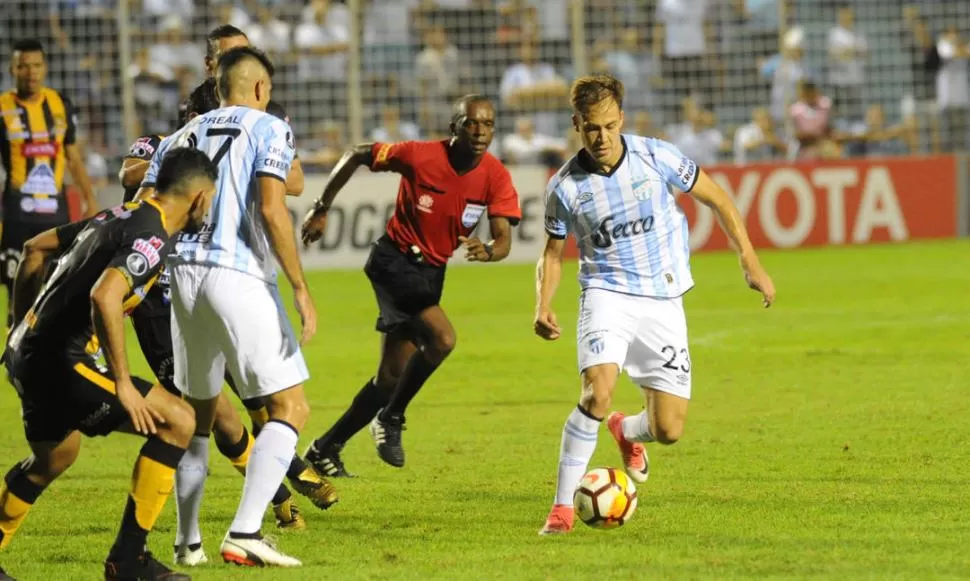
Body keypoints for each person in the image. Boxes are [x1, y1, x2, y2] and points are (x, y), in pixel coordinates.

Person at [534, 74, 776, 535]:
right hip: (606, 294)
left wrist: (749, 258)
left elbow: (718, 199)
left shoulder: (656, 156)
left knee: (668, 430)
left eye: (608, 125)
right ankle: (562, 509)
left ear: (621, 119)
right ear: (576, 125)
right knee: (596, 393)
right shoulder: (564, 187)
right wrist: (543, 303)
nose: (601, 137)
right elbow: (552, 253)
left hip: (663, 299)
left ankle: (626, 431)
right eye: (591, 128)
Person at [0, 147, 217, 580]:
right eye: (210, 198)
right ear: (198, 199)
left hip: (28, 354)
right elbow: (105, 294)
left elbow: (34, 248)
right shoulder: (152, 236)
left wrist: (17, 325)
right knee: (177, 420)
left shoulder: (116, 215)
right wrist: (122, 383)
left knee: (54, 458)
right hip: (61, 361)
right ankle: (129, 560)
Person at [137, 46, 314, 567]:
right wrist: (300, 286)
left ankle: (186, 542)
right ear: (262, 89)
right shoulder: (267, 126)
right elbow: (271, 207)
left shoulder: (178, 137)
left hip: (181, 278)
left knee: (197, 413)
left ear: (218, 88)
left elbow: (144, 211)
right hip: (236, 274)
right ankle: (245, 530)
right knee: (290, 407)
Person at [299, 94, 521, 476]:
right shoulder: (420, 155)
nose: (481, 131)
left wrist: (490, 250)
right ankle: (392, 418)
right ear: (455, 126)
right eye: (472, 123)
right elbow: (357, 153)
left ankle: (325, 448)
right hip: (394, 260)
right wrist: (322, 206)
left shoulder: (495, 175)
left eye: (488, 124)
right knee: (442, 339)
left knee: (389, 378)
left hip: (431, 273)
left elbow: (503, 240)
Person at [0, 39, 99, 328]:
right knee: (15, 284)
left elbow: (72, 156)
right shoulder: (3, 108)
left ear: (44, 68)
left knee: (53, 281)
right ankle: (16, 345)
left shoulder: (60, 105)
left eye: (36, 65)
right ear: (12, 69)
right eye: (23, 66)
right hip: (18, 210)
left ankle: (44, 344)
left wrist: (89, 197)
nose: (30, 72)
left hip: (54, 211)